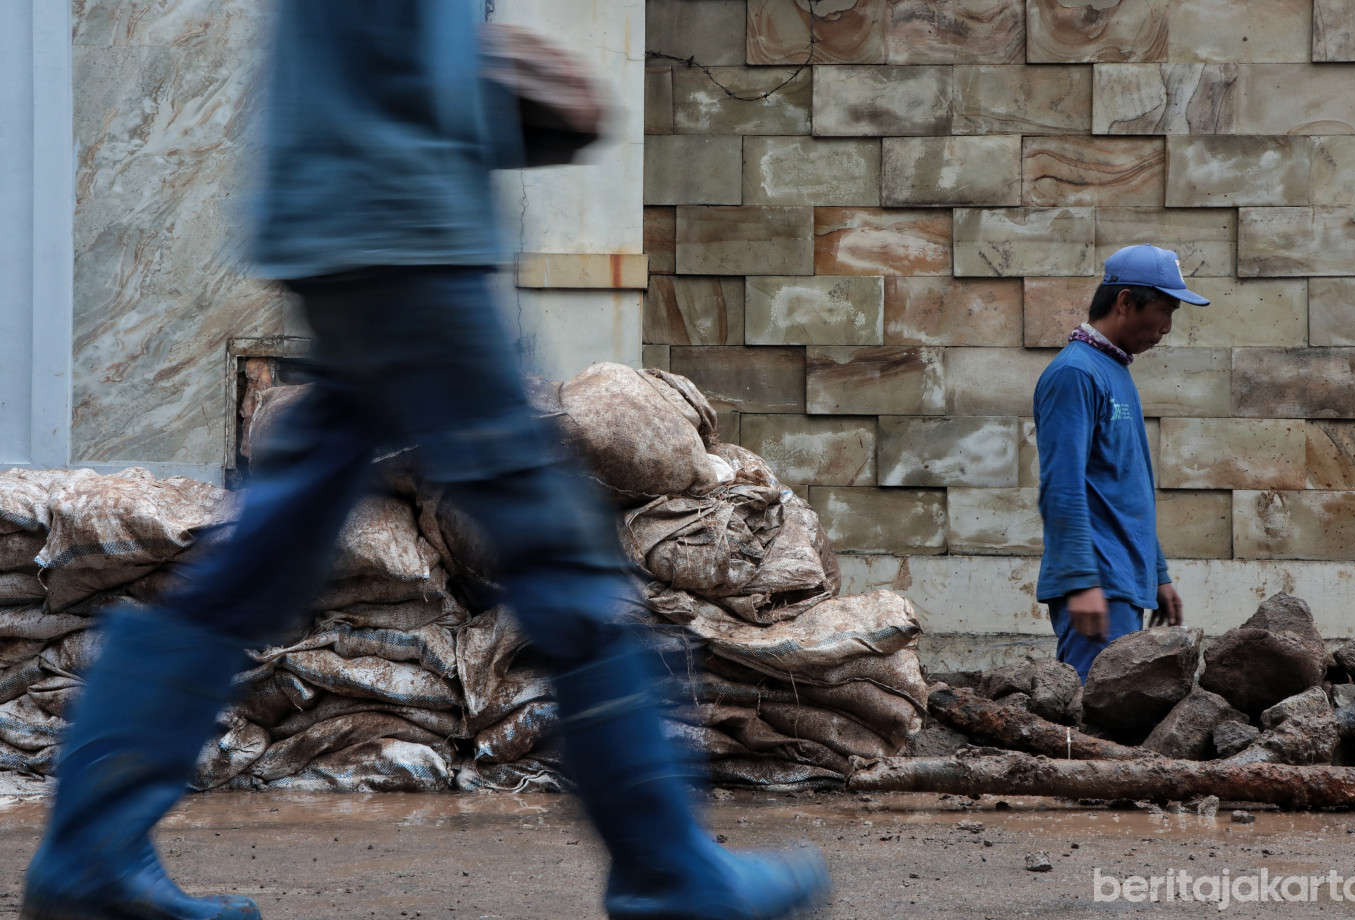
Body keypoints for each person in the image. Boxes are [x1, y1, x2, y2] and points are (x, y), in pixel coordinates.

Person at [20, 3, 829, 919]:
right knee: (559, 553)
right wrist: (510, 88)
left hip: (350, 228)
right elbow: (415, 60)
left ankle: (90, 849)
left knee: (259, 562)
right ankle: (667, 867)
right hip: (408, 235)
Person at [1033, 244, 1210, 683]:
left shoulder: (1114, 370)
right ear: (1126, 301)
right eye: (1165, 311)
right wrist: (1080, 581)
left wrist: (1158, 573)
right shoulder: (1075, 373)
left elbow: (1125, 485)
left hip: (1121, 581)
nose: (1168, 328)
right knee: (1091, 725)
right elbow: (1062, 487)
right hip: (1098, 584)